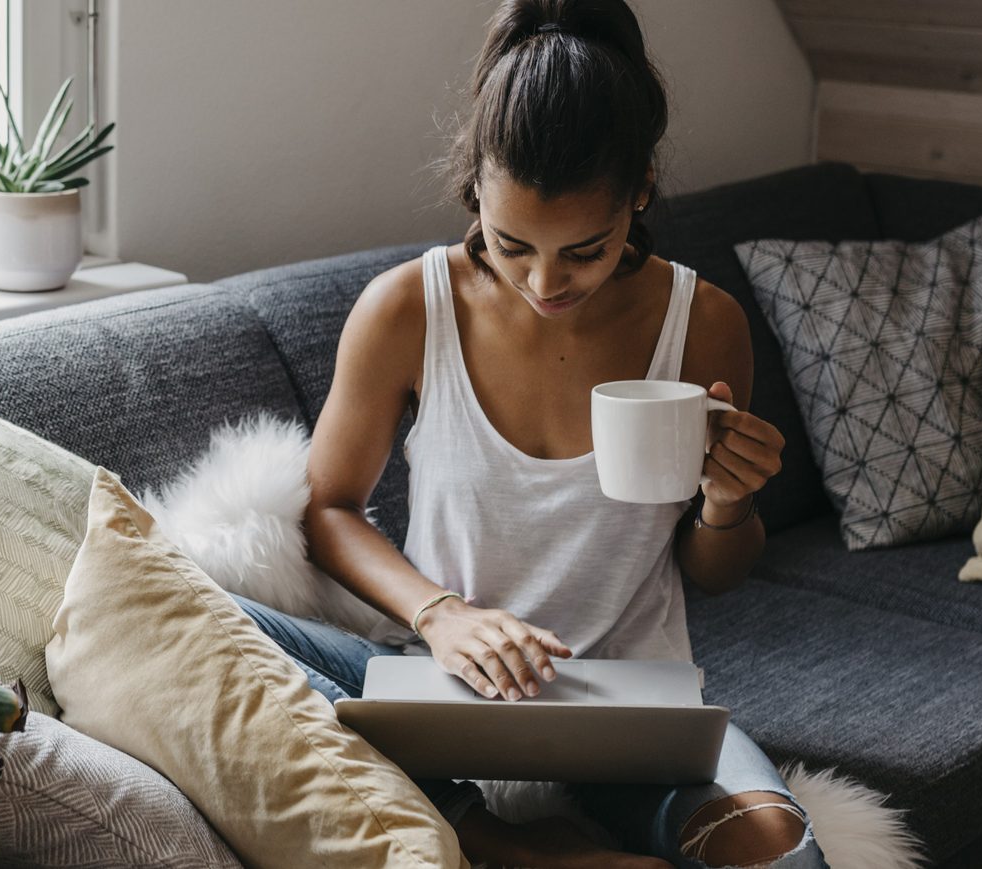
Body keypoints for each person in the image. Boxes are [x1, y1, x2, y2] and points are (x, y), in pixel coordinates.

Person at [229, 0, 826, 866]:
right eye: (512, 245)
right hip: (441, 684)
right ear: (474, 185)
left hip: (629, 703)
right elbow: (328, 512)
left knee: (784, 854)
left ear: (640, 193)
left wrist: (727, 505)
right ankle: (496, 839)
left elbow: (718, 573)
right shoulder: (405, 309)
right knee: (213, 617)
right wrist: (443, 616)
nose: (544, 282)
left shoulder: (702, 322)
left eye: (585, 250)